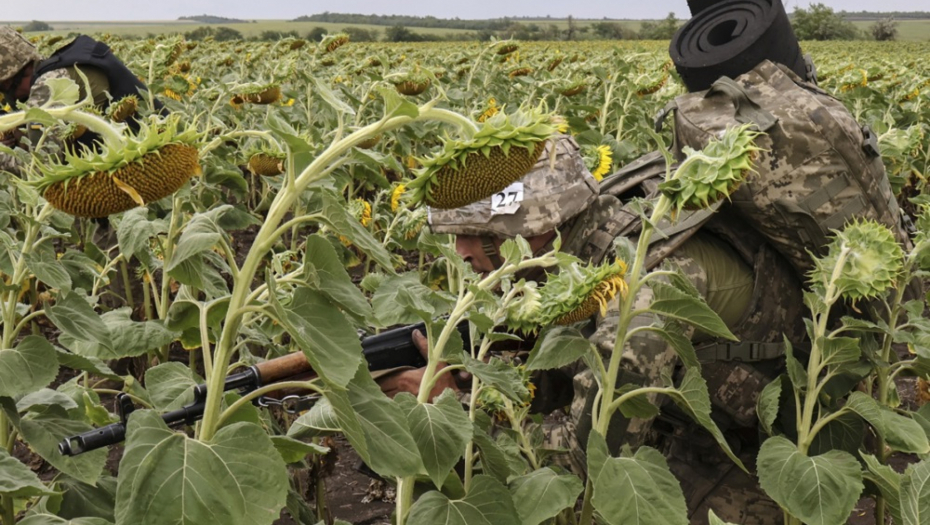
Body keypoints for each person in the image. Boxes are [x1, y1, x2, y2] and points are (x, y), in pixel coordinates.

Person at [379, 134, 807, 525]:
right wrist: (484, 378)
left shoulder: (642, 289)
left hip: (744, 457)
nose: (461, 252)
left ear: (537, 226)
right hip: (677, 426)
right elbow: (565, 373)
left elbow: (588, 462)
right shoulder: (581, 250)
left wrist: (457, 410)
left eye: (474, 233)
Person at [0, 26, 160, 175]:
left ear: (7, 81)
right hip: (151, 155)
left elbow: (42, 168)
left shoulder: (46, 90)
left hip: (147, 168)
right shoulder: (61, 68)